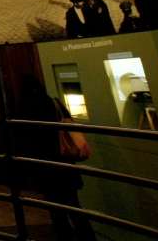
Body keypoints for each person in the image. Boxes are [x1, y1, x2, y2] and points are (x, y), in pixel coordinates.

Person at [15, 76, 97, 241]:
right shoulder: (54, 103)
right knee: (74, 205)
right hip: (64, 161)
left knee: (55, 209)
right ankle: (88, 237)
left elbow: (23, 137)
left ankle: (64, 236)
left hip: (44, 164)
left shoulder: (24, 108)